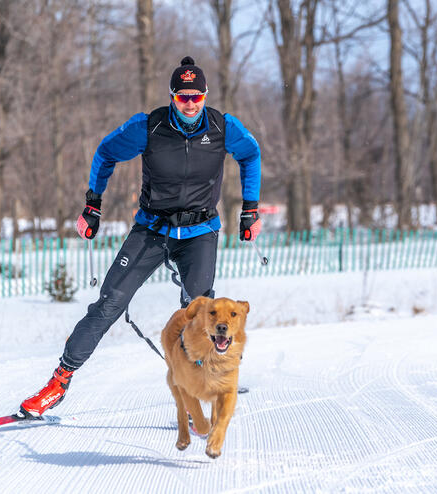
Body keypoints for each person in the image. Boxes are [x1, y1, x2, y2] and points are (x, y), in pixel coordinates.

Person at [19, 56, 262, 417]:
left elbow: (251, 155)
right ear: (172, 97)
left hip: (199, 232)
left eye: (197, 97)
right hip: (152, 229)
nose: (190, 104)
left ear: (206, 96)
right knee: (109, 303)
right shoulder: (148, 127)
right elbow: (105, 153)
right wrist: (93, 205)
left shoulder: (224, 128)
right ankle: (59, 381)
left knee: (199, 313)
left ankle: (203, 387)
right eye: (183, 97)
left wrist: (251, 209)